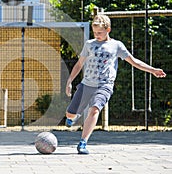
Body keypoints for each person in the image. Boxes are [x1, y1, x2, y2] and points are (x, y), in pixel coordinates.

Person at [65, 14, 166, 154]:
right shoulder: (89, 45)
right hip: (87, 84)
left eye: (99, 33)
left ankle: (83, 142)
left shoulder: (116, 45)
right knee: (70, 114)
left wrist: (152, 70)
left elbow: (134, 61)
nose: (97, 35)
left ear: (108, 30)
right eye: (95, 33)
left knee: (94, 109)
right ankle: (73, 117)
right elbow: (79, 64)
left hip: (104, 85)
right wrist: (70, 81)